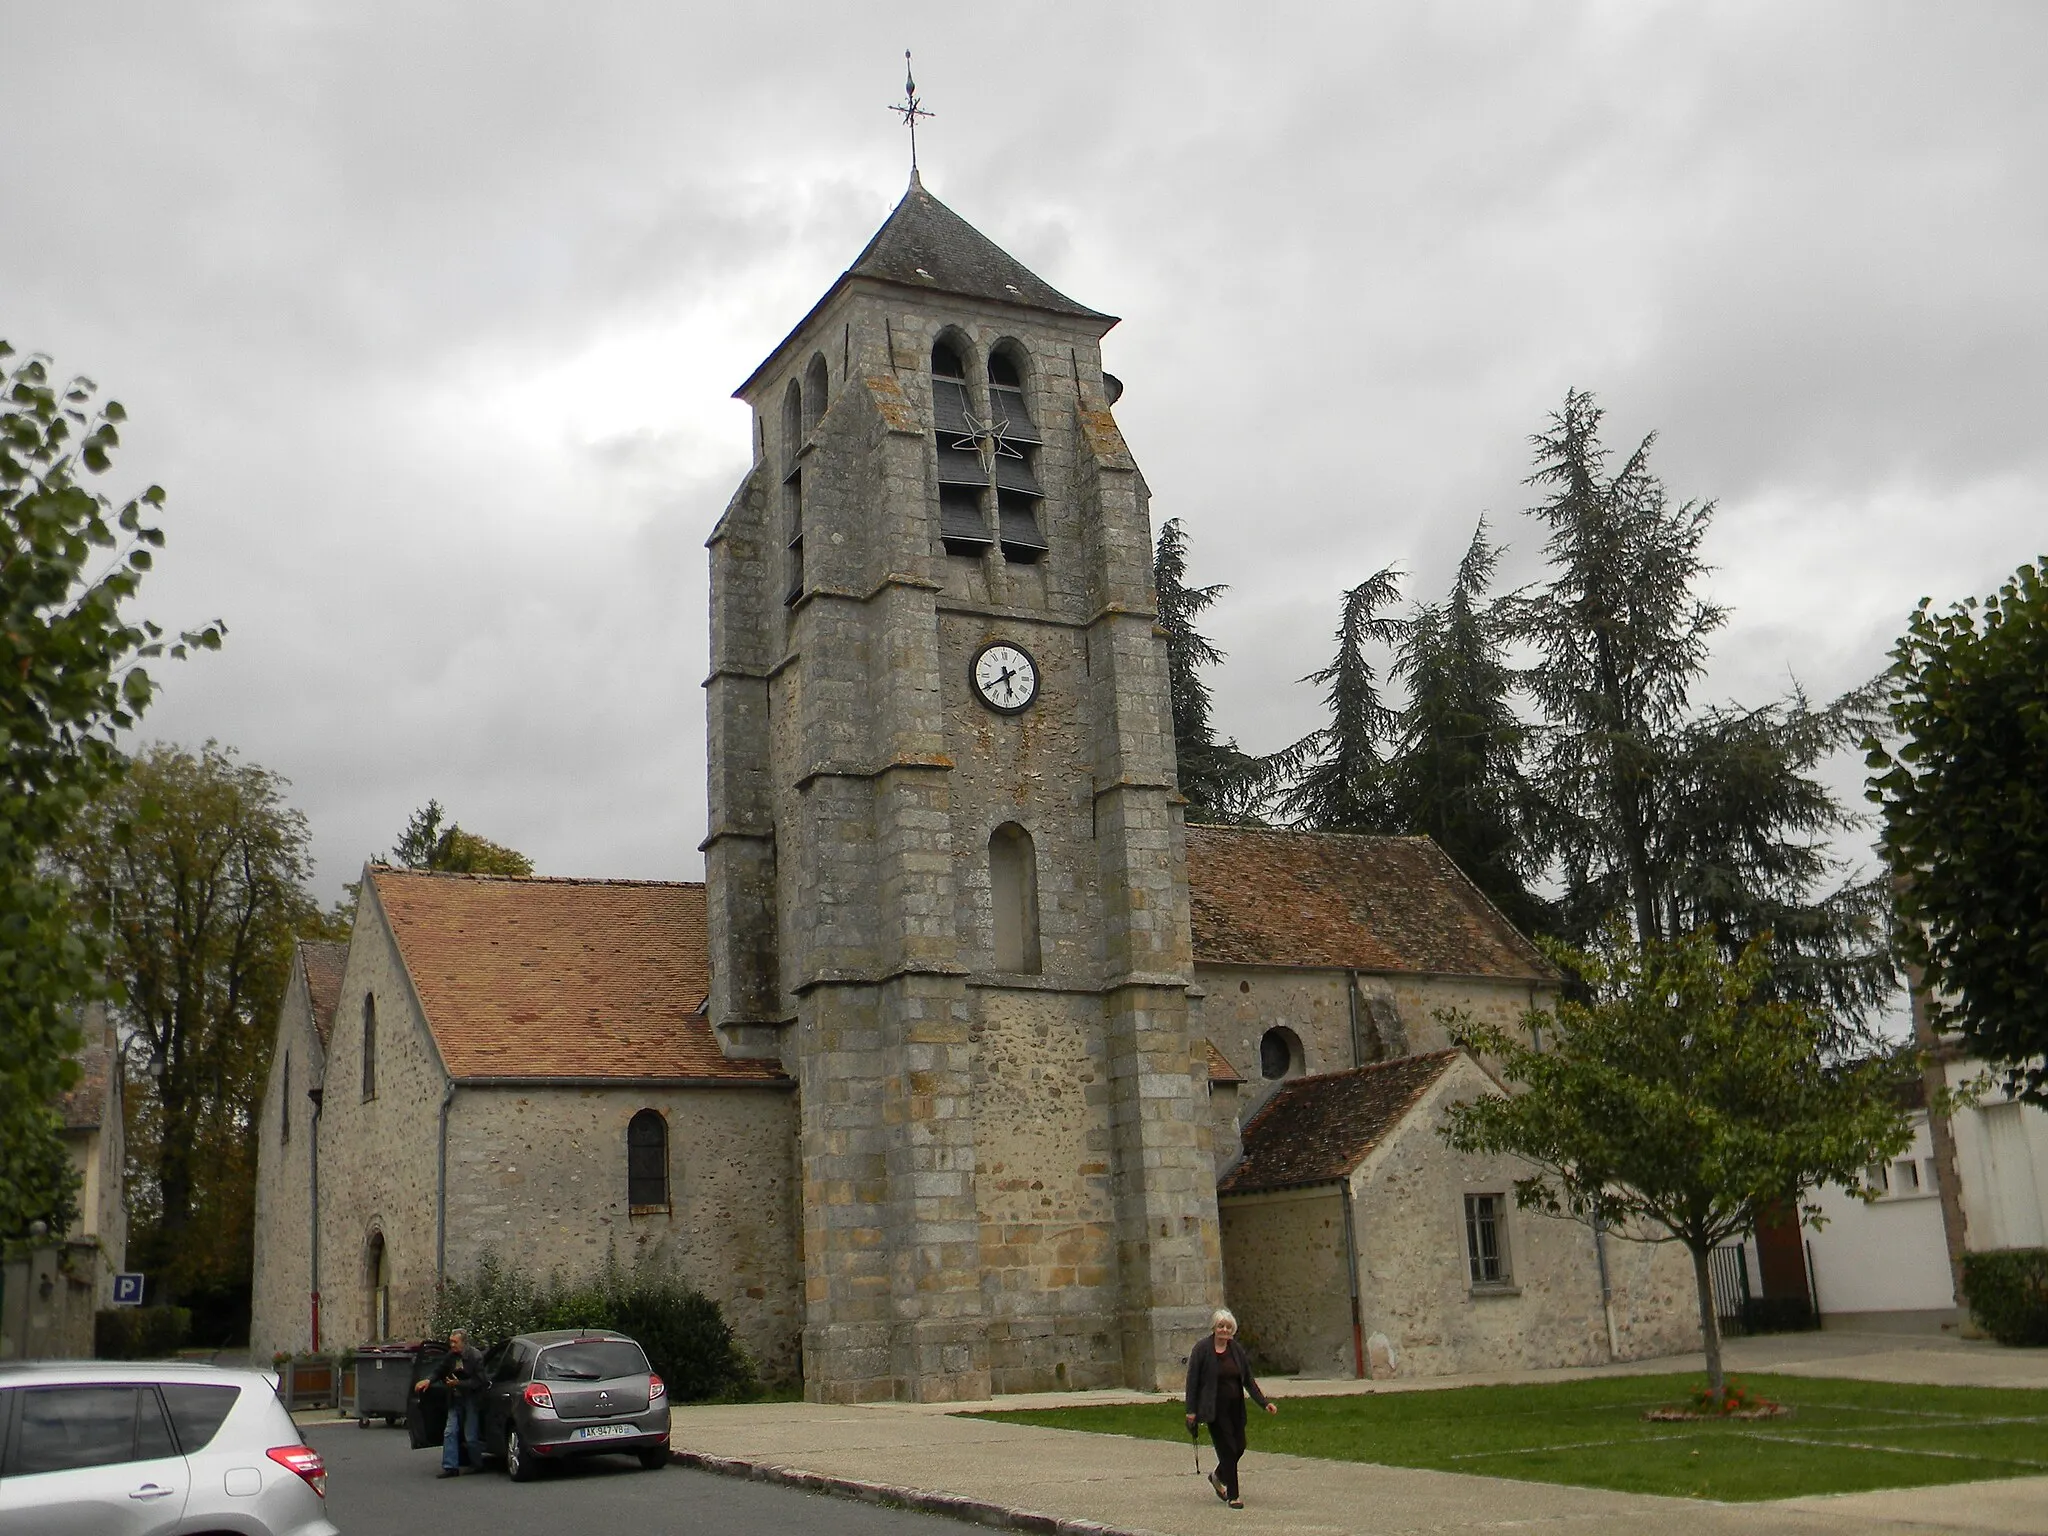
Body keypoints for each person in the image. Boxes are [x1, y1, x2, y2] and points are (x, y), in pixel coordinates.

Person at [1184, 1308, 1275, 1508]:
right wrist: (1191, 1411)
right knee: (1228, 1450)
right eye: (1220, 1326)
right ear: (1214, 1328)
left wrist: (1264, 1402)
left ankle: (1217, 1476)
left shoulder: (1236, 1350)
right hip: (1214, 1410)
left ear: (1232, 1330)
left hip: (1235, 1408)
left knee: (1239, 1446)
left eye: (1228, 1327)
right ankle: (1233, 1496)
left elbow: (1248, 1380)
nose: (1224, 1330)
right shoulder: (1202, 1349)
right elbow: (1192, 1382)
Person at [415, 1327, 487, 1477]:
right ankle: (450, 1467)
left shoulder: (475, 1357)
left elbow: (480, 1382)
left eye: (455, 1342)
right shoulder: (451, 1356)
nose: (452, 1345)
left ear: (464, 1343)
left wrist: (458, 1384)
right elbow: (439, 1370)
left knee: (470, 1435)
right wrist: (428, 1380)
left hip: (471, 1399)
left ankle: (476, 1463)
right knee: (449, 1431)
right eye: (451, 1342)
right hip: (455, 1399)